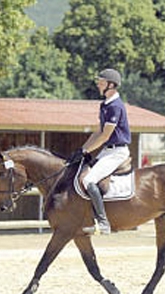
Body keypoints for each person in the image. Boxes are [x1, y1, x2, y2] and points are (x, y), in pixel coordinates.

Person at [67, 68, 131, 235]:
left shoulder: (115, 106)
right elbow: (97, 132)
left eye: (101, 82)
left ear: (111, 85)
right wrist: (82, 149)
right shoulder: (104, 105)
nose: (98, 84)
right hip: (107, 151)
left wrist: (87, 150)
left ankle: (103, 222)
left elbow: (105, 136)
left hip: (117, 152)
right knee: (81, 174)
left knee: (89, 180)